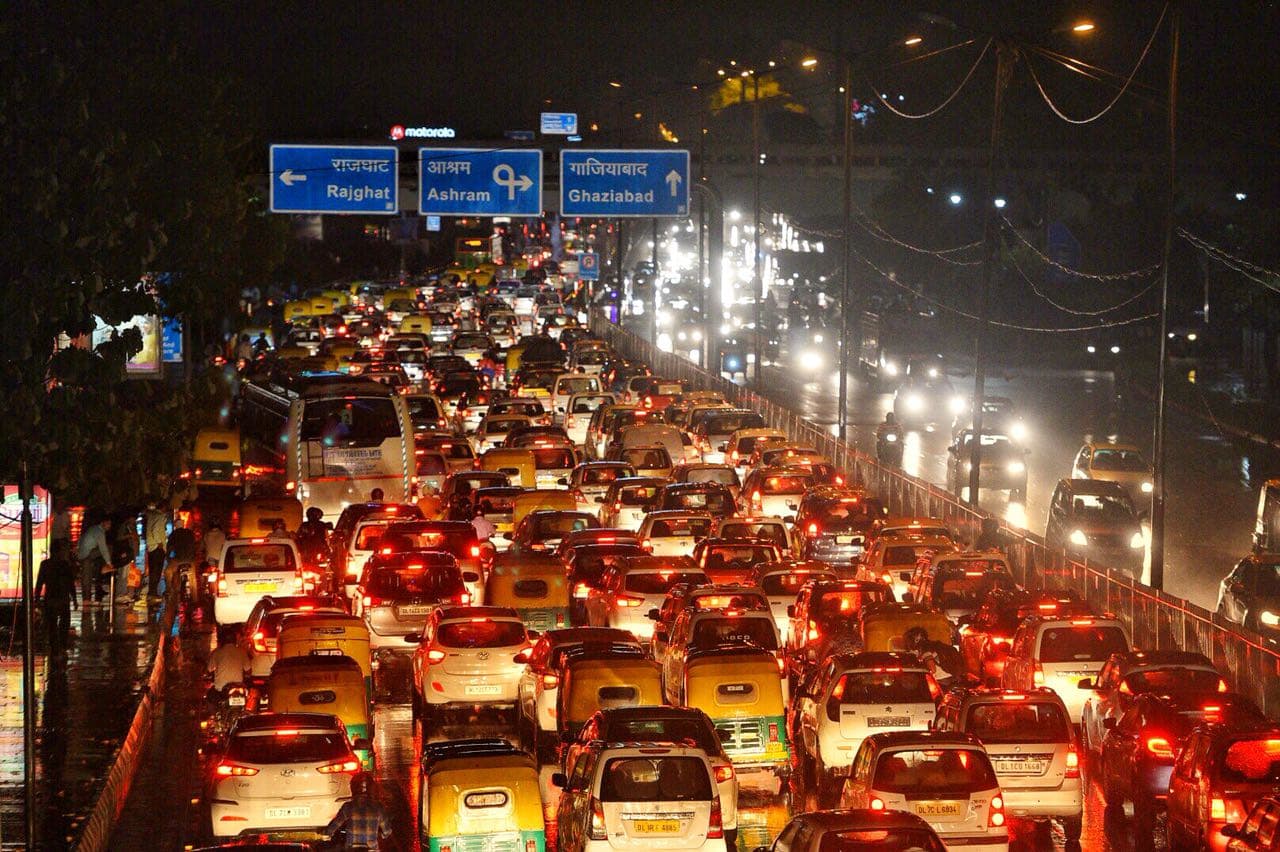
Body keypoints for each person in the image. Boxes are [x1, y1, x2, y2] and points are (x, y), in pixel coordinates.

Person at [324, 772, 392, 851]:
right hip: (371, 849)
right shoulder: (378, 807)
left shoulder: (348, 807)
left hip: (351, 848)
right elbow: (387, 831)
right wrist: (384, 834)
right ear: (371, 788)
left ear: (353, 788)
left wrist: (327, 834)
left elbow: (335, 824)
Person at [36, 539, 77, 654]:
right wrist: (74, 599)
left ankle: (54, 646)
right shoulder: (65, 565)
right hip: (63, 598)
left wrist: (37, 599)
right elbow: (70, 583)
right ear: (60, 552)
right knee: (64, 623)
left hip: (50, 598)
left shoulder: (45, 564)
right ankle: (62, 644)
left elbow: (39, 583)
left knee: (52, 623)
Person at [77, 515, 113, 606]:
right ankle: (86, 599)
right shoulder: (99, 532)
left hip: (83, 553)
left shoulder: (92, 529)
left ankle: (86, 598)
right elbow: (103, 548)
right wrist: (109, 563)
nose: (109, 526)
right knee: (87, 577)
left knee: (86, 577)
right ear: (103, 523)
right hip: (87, 554)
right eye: (108, 524)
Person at [207, 627, 251, 693]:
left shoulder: (216, 652)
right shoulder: (242, 652)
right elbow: (248, 671)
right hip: (238, 688)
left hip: (220, 688)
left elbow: (209, 670)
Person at [143, 502, 169, 601]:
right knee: (156, 571)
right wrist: (160, 543)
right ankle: (153, 593)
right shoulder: (160, 516)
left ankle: (152, 592)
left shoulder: (151, 516)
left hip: (151, 547)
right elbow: (156, 530)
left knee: (153, 570)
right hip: (157, 547)